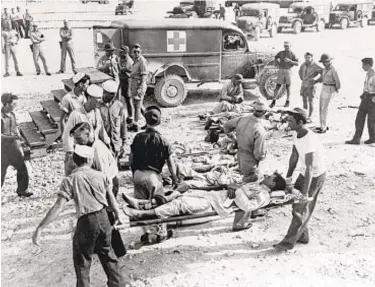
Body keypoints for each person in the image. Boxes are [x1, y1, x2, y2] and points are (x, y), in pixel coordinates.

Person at [32, 145, 125, 287]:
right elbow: (111, 199)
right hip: (104, 218)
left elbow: (59, 206)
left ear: (75, 160)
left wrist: (40, 228)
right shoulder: (101, 175)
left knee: (82, 262)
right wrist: (118, 215)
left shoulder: (70, 180)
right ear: (89, 159)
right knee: (108, 256)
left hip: (86, 221)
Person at [123, 173, 286, 231]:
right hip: (216, 196)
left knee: (181, 204)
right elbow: (237, 188)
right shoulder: (257, 184)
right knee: (182, 192)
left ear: (273, 184)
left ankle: (141, 214)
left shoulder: (264, 196)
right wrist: (233, 186)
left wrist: (237, 189)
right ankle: (144, 204)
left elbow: (248, 207)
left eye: (271, 177)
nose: (268, 176)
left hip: (217, 205)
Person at [274, 108, 326, 251]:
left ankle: (288, 243)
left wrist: (305, 193)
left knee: (300, 207)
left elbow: (310, 167)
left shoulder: (310, 139)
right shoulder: (296, 134)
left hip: (315, 175)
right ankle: (303, 236)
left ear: (301, 122)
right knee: (296, 204)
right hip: (305, 173)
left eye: (291, 121)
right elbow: (294, 156)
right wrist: (288, 177)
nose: (287, 123)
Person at [130, 106, 178, 200]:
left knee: (141, 205)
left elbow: (131, 159)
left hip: (138, 175)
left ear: (146, 120)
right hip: (152, 177)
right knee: (158, 205)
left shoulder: (137, 137)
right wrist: (175, 179)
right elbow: (170, 164)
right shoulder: (163, 140)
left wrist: (134, 173)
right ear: (159, 121)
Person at [62, 84, 110, 176]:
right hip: (80, 151)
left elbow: (101, 130)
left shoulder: (97, 112)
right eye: (98, 98)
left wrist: (108, 143)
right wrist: (70, 152)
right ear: (90, 98)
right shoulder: (76, 114)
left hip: (94, 148)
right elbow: (67, 134)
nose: (100, 101)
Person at [224, 100, 273, 183]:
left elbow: (226, 125)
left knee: (242, 177)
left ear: (254, 110)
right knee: (249, 183)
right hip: (250, 161)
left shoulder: (242, 118)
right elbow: (259, 155)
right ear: (265, 112)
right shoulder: (260, 130)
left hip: (239, 156)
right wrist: (264, 154)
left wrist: (233, 138)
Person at [71, 122, 120, 198]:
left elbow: (104, 176)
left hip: (109, 184)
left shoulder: (97, 150)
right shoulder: (88, 145)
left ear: (87, 134)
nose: (76, 142)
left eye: (78, 139)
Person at [1, 93, 32, 197]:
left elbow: (16, 128)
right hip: (2, 149)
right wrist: (11, 137)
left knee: (22, 168)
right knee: (1, 172)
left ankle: (22, 190)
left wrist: (20, 137)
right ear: (6, 104)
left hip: (13, 147)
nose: (15, 106)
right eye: (14, 104)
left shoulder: (13, 115)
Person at [346, 57, 375, 145]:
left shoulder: (374, 76)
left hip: (372, 99)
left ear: (368, 65)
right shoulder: (367, 75)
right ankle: (356, 139)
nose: (362, 67)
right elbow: (366, 87)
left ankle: (373, 138)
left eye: (363, 65)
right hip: (365, 98)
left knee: (371, 120)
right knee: (359, 119)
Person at [312, 53, 341, 133]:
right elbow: (322, 78)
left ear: (329, 61)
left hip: (330, 88)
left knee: (324, 108)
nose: (324, 63)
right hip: (324, 87)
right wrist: (315, 81)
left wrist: (334, 90)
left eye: (325, 61)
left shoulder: (333, 69)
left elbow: (338, 83)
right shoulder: (324, 69)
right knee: (321, 107)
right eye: (323, 62)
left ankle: (323, 127)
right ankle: (322, 125)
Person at [99, 80, 127, 158]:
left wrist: (124, 144)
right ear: (104, 92)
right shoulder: (97, 106)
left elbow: (123, 125)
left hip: (115, 145)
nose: (113, 96)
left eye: (114, 94)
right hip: (102, 144)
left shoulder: (119, 106)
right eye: (110, 94)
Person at [270, 41, 299, 108]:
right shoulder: (281, 53)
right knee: (277, 86)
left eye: (287, 46)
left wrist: (290, 61)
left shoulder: (292, 54)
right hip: (281, 70)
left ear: (290, 46)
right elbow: (275, 57)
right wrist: (277, 63)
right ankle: (273, 101)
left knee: (288, 87)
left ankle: (287, 101)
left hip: (288, 71)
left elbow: (297, 63)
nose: (286, 47)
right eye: (285, 46)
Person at [298, 52, 323, 122]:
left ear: (312, 58)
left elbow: (323, 73)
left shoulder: (315, 65)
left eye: (309, 57)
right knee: (304, 101)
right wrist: (302, 78)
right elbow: (299, 71)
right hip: (304, 84)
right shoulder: (303, 64)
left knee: (310, 101)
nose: (307, 59)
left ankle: (310, 116)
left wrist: (316, 80)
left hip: (311, 85)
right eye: (306, 57)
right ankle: (304, 115)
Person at [129, 43, 148, 132]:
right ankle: (148, 121)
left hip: (139, 84)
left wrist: (140, 88)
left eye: (138, 51)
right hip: (134, 84)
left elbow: (144, 76)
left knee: (137, 106)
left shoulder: (142, 61)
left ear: (141, 52)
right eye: (135, 51)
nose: (136, 53)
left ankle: (135, 125)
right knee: (139, 106)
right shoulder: (135, 60)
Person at [118, 45, 134, 125]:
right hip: (123, 80)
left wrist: (121, 68)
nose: (120, 53)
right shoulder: (122, 58)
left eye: (121, 52)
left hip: (128, 81)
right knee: (124, 98)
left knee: (129, 99)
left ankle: (131, 117)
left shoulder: (129, 61)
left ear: (125, 52)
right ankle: (128, 116)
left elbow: (124, 69)